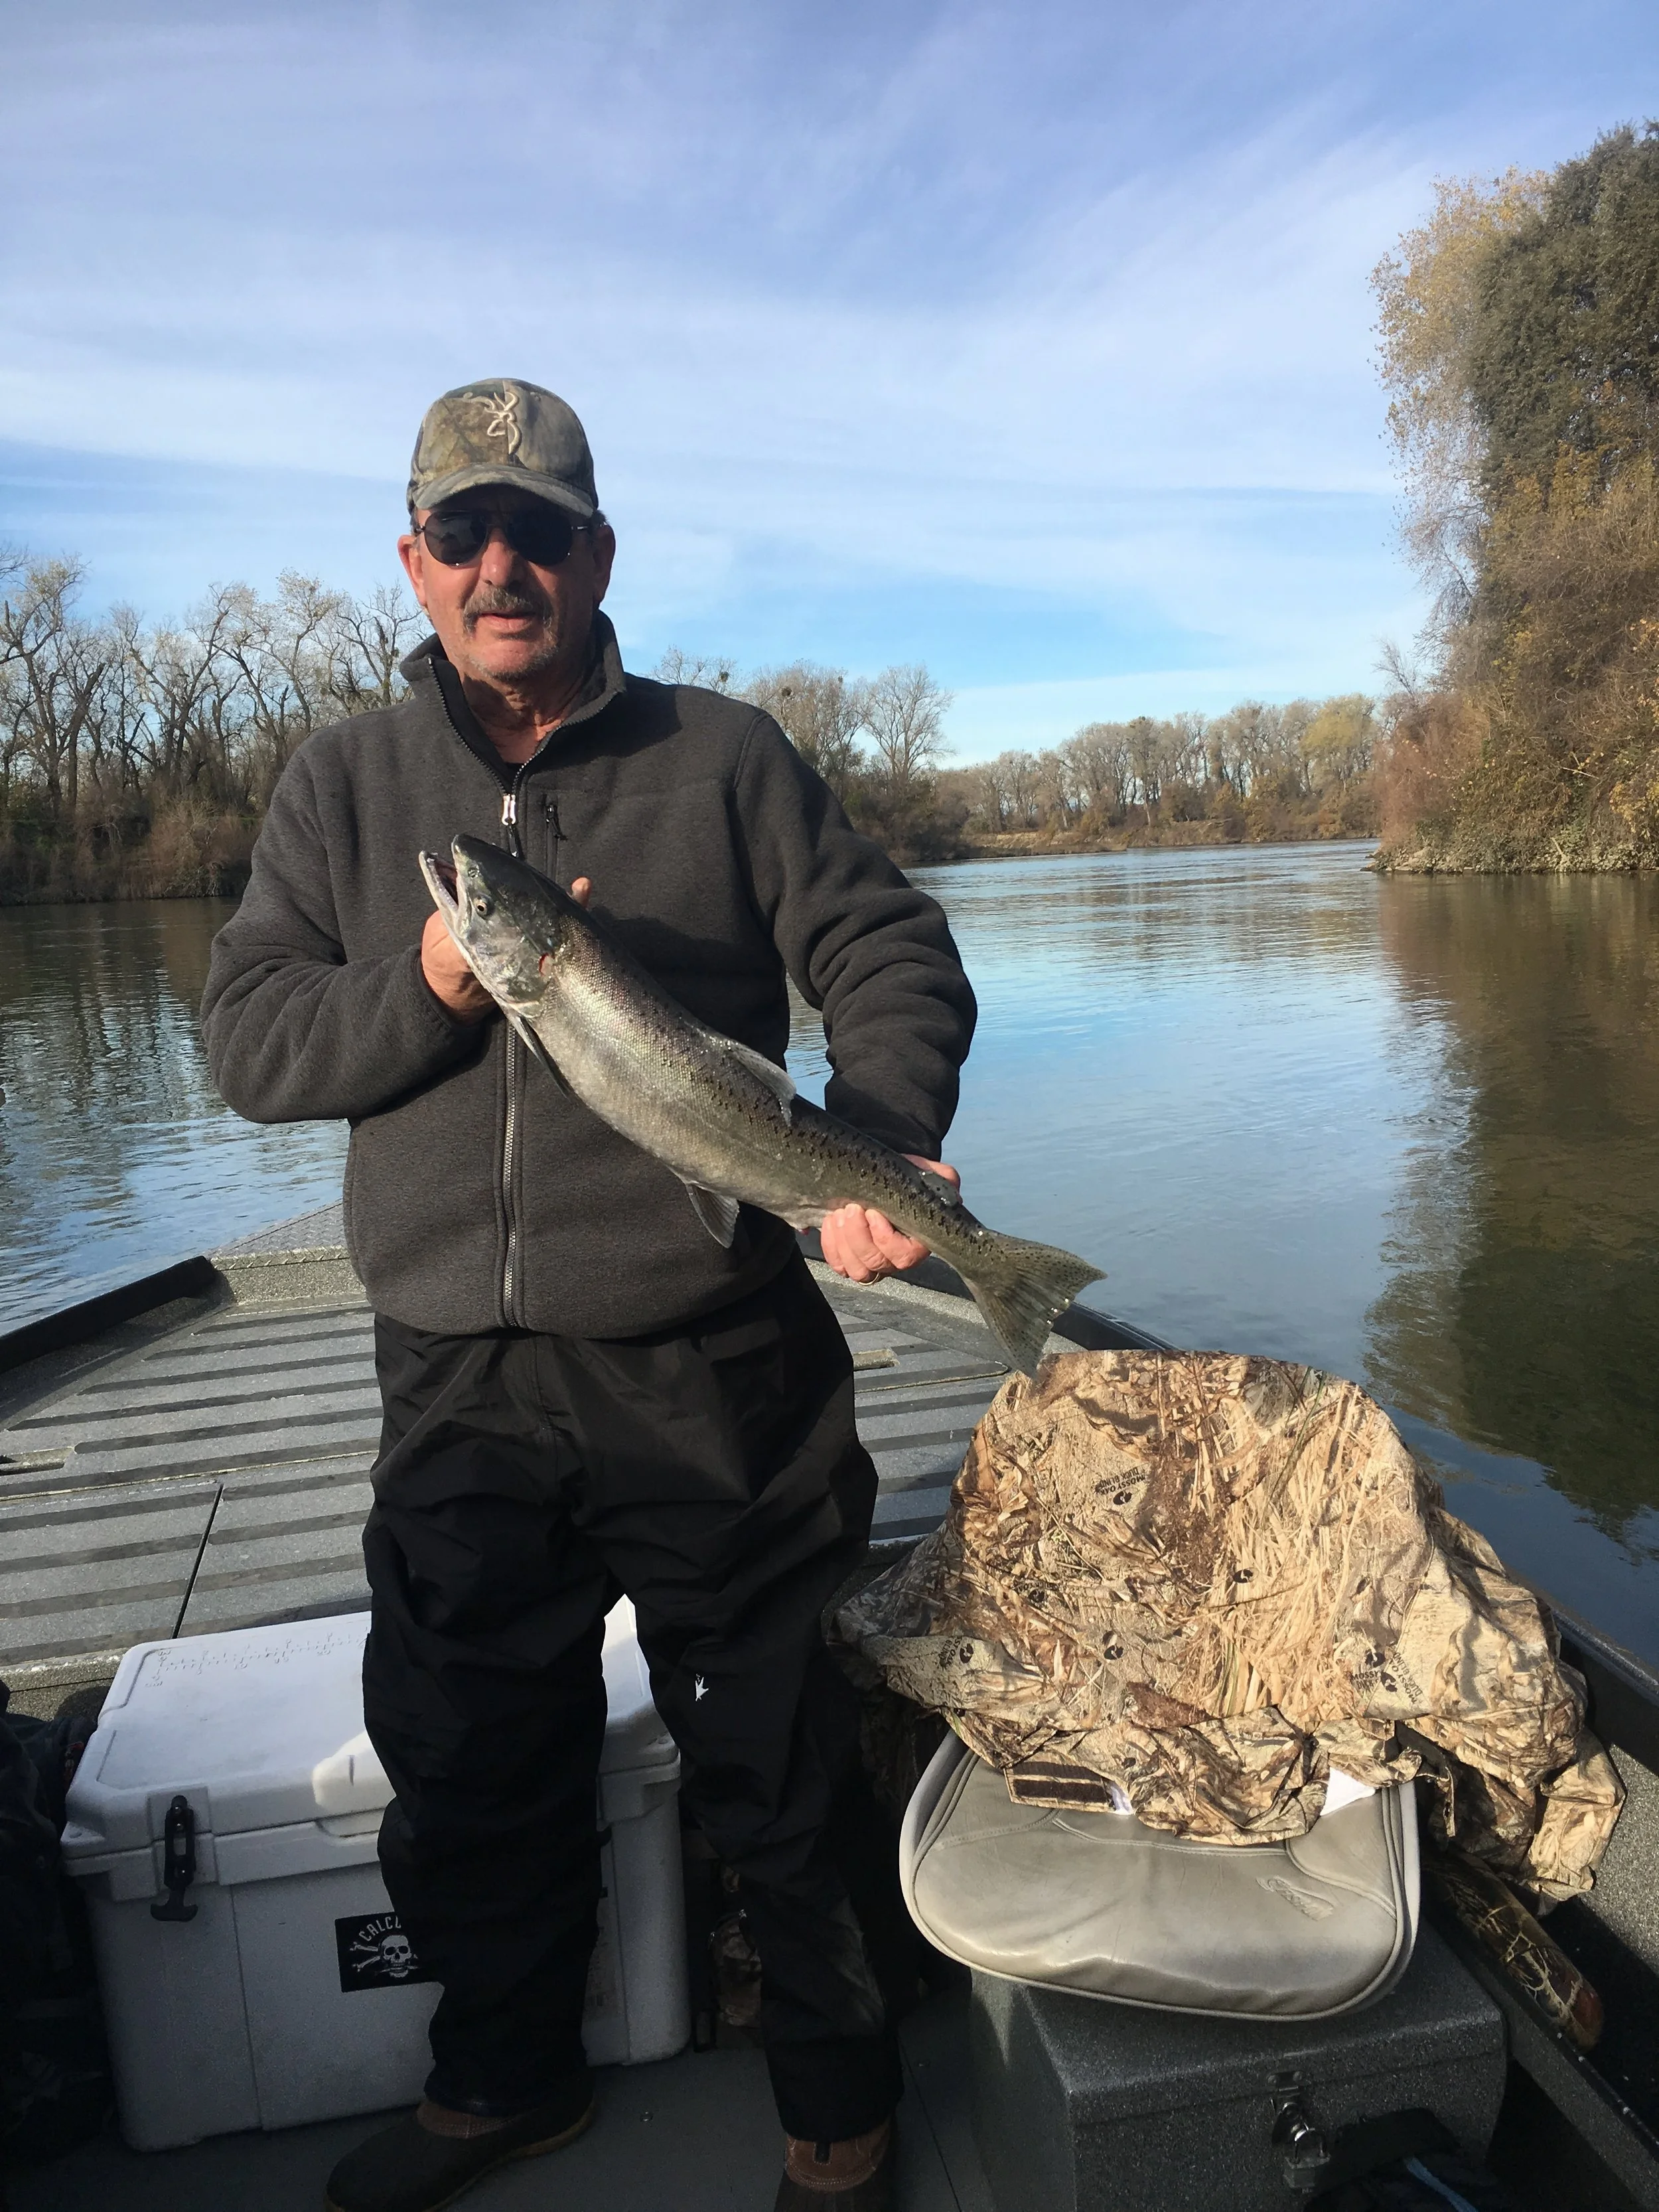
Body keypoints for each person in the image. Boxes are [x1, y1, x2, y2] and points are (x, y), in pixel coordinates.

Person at [201, 378, 977, 2212]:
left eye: (536, 528)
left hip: (715, 1361)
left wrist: (875, 1140)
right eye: (463, 532)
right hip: (458, 1369)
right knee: (469, 1754)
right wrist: (438, 987)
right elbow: (248, 1036)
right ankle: (502, 2082)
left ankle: (838, 2116)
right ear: (411, 563)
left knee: (775, 1758)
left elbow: (885, 944)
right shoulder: (338, 784)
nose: (501, 563)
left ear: (595, 553)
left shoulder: (725, 756)